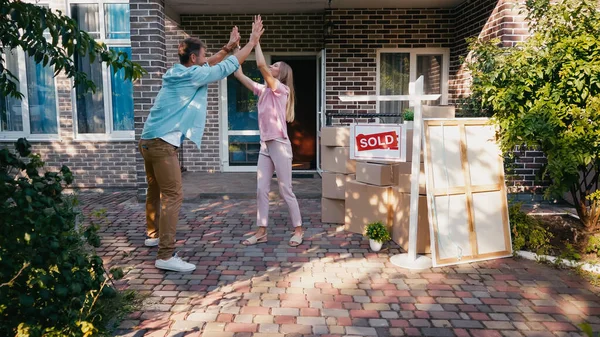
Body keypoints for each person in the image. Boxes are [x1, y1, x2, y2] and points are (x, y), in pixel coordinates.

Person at [139, 17, 265, 272]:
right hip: (163, 143)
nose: (205, 58)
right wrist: (251, 42)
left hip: (147, 140)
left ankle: (152, 235)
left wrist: (229, 47)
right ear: (194, 59)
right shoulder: (192, 76)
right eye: (203, 55)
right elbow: (225, 67)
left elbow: (212, 62)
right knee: (174, 195)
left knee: (155, 190)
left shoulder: (177, 71)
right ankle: (165, 255)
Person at [233, 18, 303, 247]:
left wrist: (256, 41)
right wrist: (236, 47)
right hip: (265, 145)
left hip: (280, 145)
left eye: (276, 66)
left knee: (285, 190)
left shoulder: (281, 89)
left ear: (281, 74)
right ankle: (261, 230)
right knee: (261, 189)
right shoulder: (263, 90)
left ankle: (299, 230)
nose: (271, 67)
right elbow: (239, 75)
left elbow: (262, 67)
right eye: (273, 66)